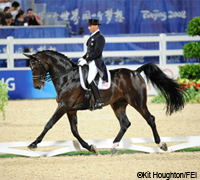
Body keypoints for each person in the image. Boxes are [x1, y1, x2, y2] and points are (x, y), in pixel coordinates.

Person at [78, 18, 108, 110]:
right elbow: (89, 53)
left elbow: (97, 53)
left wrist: (86, 60)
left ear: (96, 26)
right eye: (88, 26)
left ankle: (98, 101)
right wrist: (83, 58)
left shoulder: (100, 37)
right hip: (90, 61)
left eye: (90, 26)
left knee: (90, 79)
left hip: (95, 62)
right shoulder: (91, 37)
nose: (88, 28)